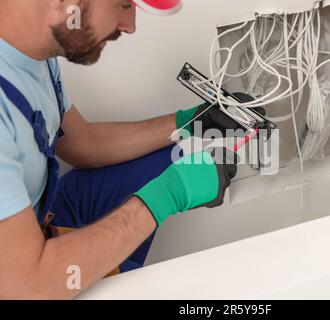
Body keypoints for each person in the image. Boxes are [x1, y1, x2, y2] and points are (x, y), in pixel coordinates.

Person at [0, 0, 246, 299]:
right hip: (24, 279)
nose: (130, 26)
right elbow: (26, 289)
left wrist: (187, 124)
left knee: (171, 158)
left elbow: (83, 143)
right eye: (124, 5)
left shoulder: (34, 50)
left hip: (39, 223)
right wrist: (165, 196)